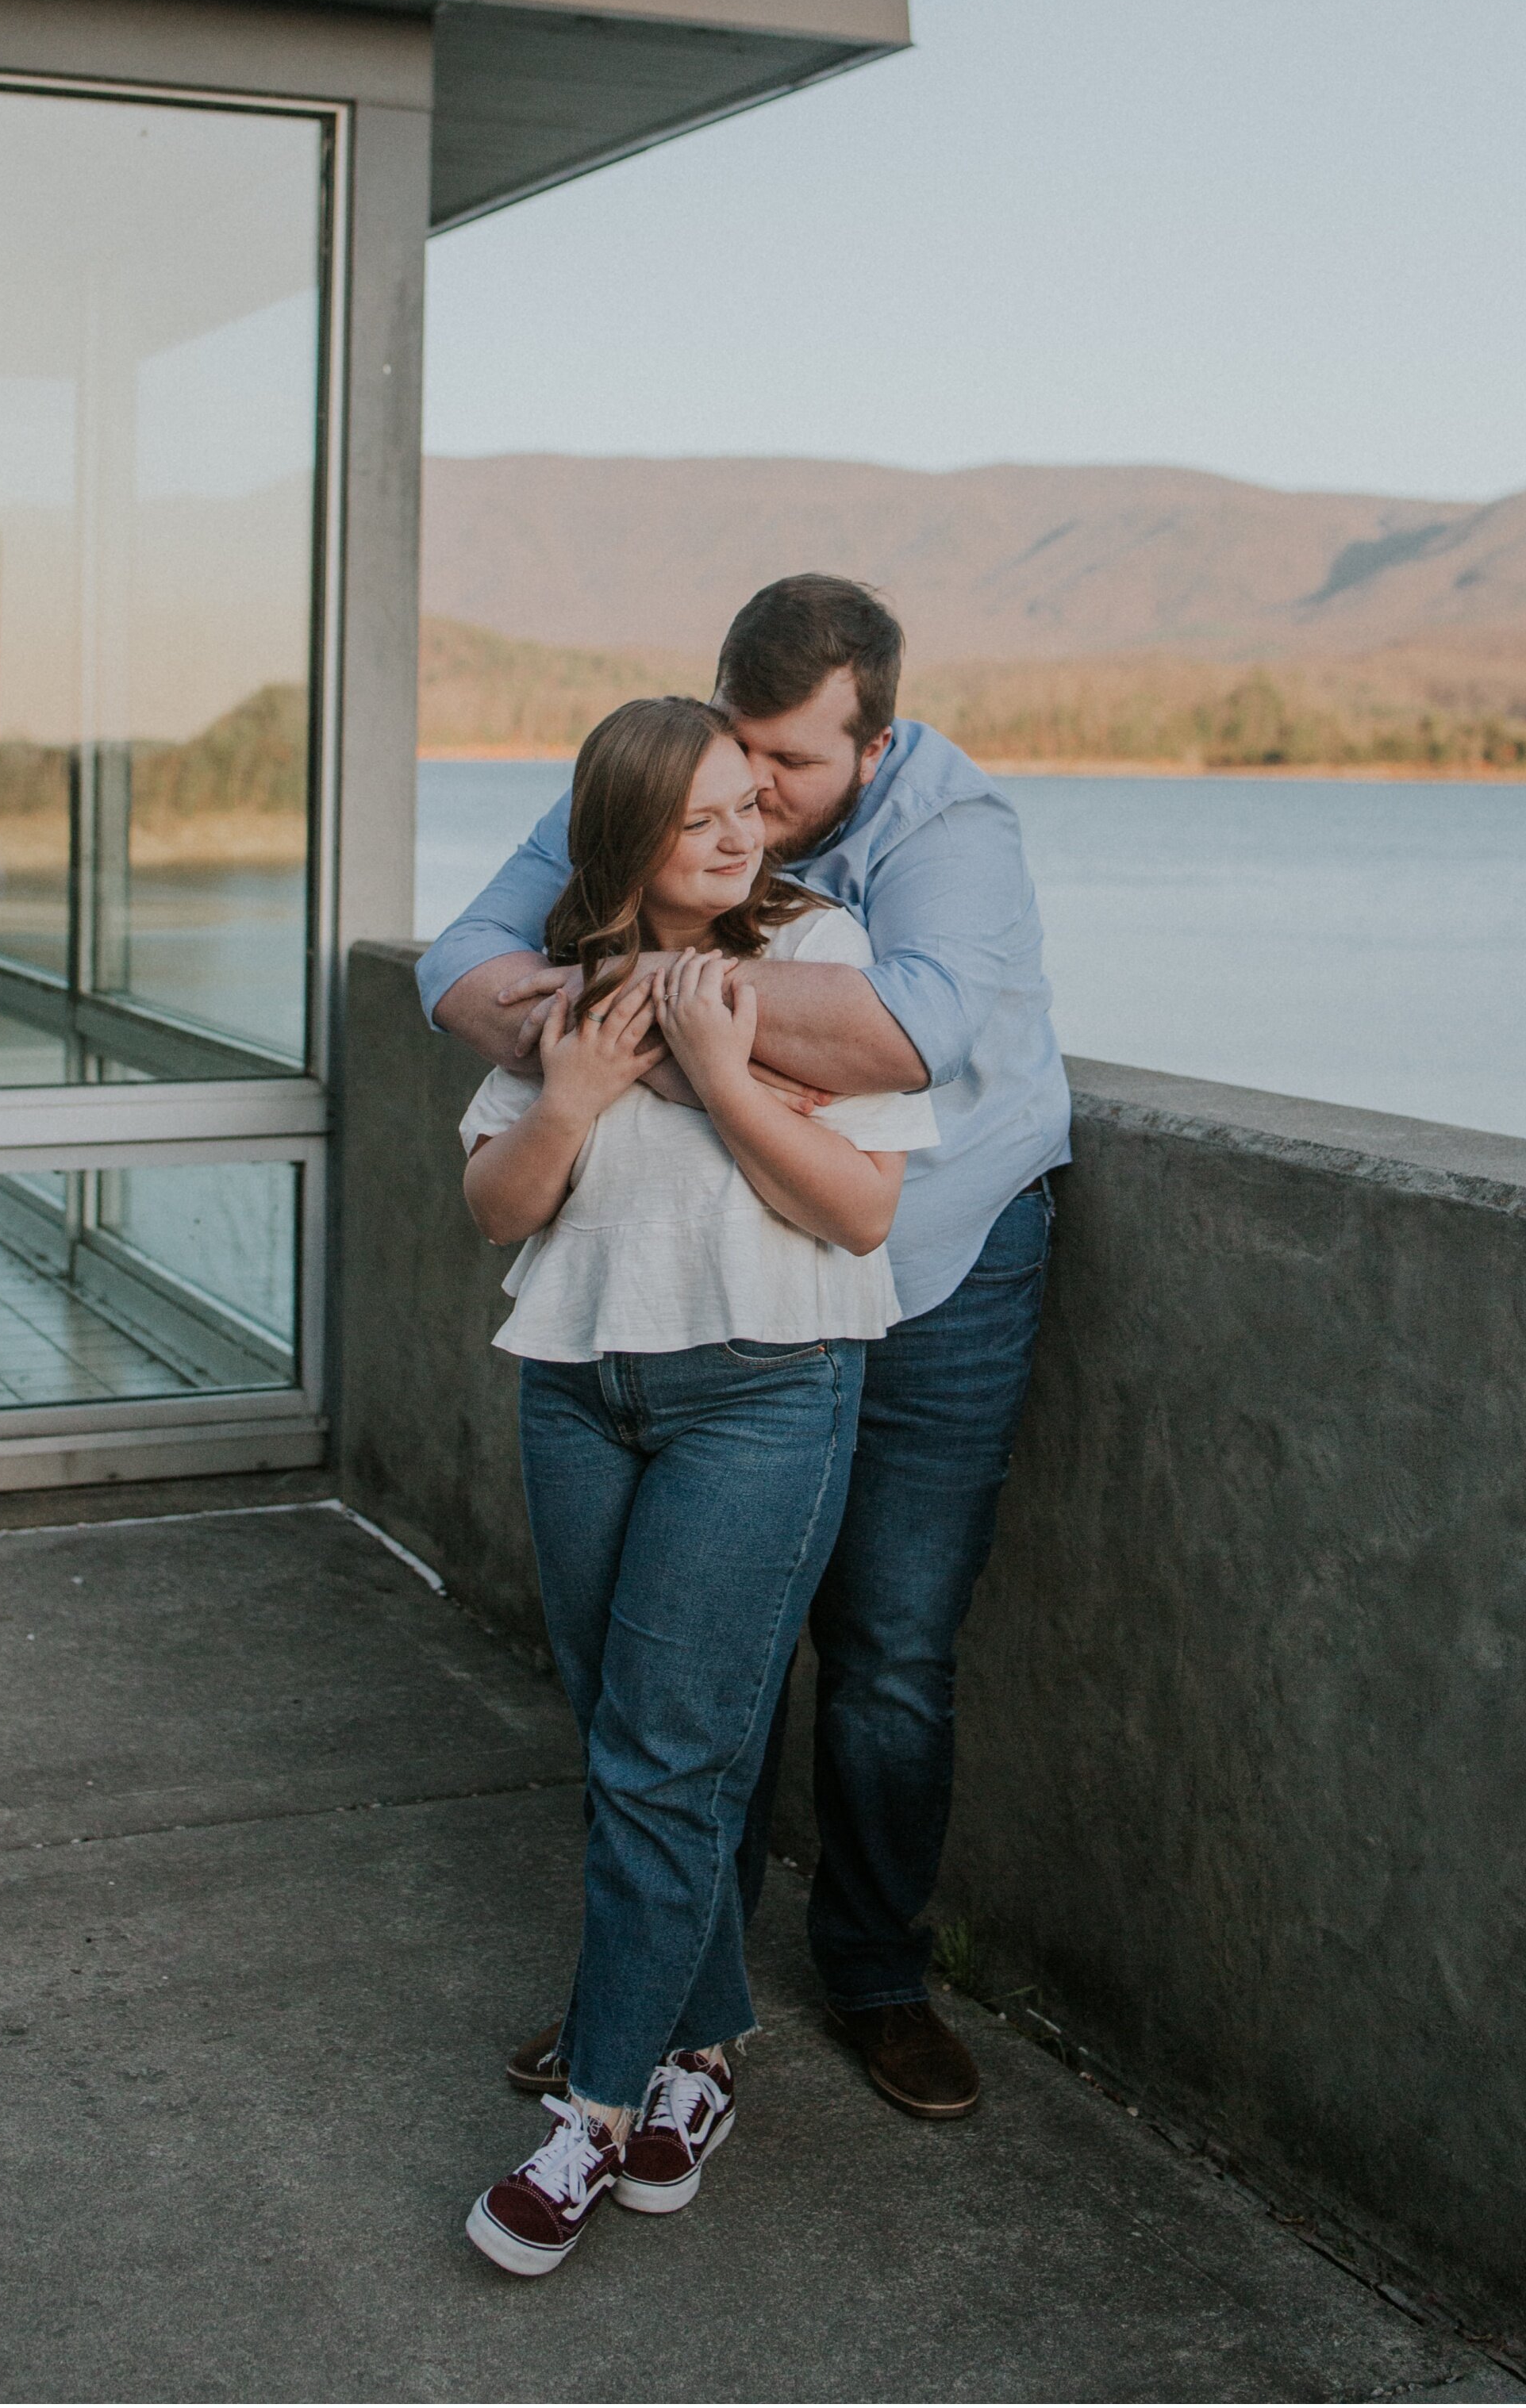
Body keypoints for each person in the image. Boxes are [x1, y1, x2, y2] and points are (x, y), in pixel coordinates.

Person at [421, 575, 1073, 2122]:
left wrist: (638, 1003)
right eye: (736, 758)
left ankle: (872, 1976)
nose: (758, 797)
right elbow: (458, 962)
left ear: (874, 741)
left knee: (889, 1649)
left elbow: (893, 1038)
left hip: (942, 1256)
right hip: (701, 1298)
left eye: (789, 765)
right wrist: (602, 1031)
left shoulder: (946, 836)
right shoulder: (684, 788)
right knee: (680, 1683)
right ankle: (667, 2005)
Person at [456, 694, 938, 2275]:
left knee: (664, 1757)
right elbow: (497, 1201)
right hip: (579, 1391)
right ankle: (706, 2050)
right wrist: (581, 1093)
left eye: (755, 803)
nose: (746, 833)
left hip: (761, 1391)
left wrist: (729, 1083)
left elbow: (862, 1214)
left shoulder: (822, 966)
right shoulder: (563, 974)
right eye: (705, 814)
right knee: (632, 1747)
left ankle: (588, 2123)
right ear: (627, 831)